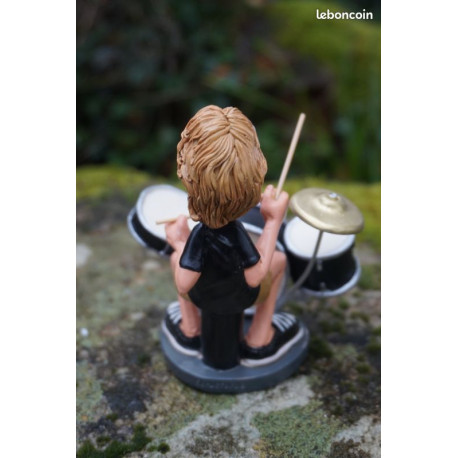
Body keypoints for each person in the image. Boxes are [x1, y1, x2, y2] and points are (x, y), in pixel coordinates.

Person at [163, 105, 302, 366]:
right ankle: (259, 339)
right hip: (240, 297)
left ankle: (189, 330)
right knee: (279, 260)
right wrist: (273, 221)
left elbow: (183, 284)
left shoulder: (200, 235)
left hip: (202, 295)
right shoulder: (235, 232)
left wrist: (179, 243)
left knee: (174, 259)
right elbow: (256, 275)